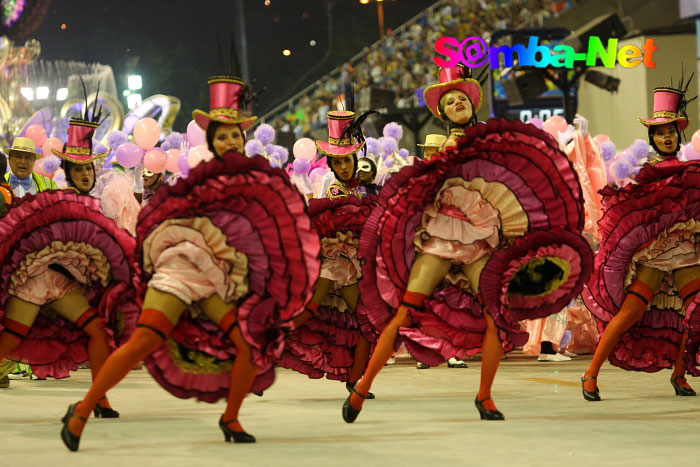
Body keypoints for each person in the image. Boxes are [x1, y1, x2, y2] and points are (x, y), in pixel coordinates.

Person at [60, 71, 320, 450]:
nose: (230, 139)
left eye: (235, 134)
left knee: (250, 345)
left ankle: (230, 418)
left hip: (217, 278)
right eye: (222, 134)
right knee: (144, 341)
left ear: (243, 138)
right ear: (212, 139)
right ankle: (81, 410)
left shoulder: (256, 181)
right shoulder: (200, 178)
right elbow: (166, 218)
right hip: (180, 268)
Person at [348, 65, 592, 422]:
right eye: (450, 101)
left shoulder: (489, 143)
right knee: (405, 312)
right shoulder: (444, 151)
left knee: (497, 313)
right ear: (441, 112)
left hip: (481, 240)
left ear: (472, 105)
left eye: (462, 98)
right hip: (443, 237)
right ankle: (362, 386)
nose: (458, 103)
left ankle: (485, 396)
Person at [0, 116, 140, 402]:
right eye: (77, 169)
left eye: (87, 167)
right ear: (67, 170)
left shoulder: (93, 202)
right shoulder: (61, 199)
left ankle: (99, 400)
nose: (85, 173)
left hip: (63, 284)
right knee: (13, 339)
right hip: (38, 280)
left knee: (97, 332)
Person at [583, 79, 700, 400]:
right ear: (652, 137)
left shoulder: (692, 169)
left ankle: (680, 375)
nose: (666, 137)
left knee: (693, 313)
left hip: (687, 252)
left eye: (671, 132)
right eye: (661, 133)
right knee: (631, 313)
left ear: (679, 135)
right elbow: (626, 212)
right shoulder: (642, 172)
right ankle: (590, 374)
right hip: (656, 253)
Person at [278, 108, 377, 397]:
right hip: (331, 262)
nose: (344, 166)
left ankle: (356, 379)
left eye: (347, 160)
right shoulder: (330, 187)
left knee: (363, 322)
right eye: (338, 162)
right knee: (307, 313)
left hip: (351, 267)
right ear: (331, 164)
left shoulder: (360, 190)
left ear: (355, 161)